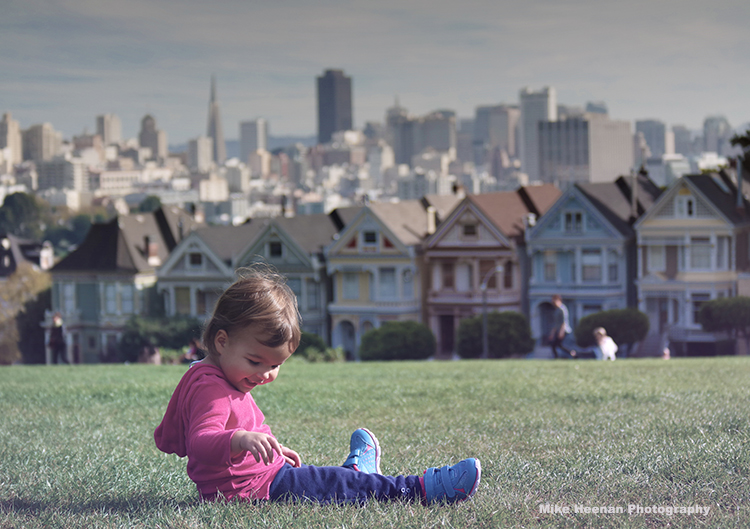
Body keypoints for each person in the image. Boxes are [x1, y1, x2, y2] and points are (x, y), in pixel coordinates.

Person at [154, 266, 480, 505]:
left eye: (276, 364)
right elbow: (201, 441)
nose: (266, 374)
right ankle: (420, 489)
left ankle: (358, 470)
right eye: (256, 361)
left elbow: (234, 428)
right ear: (222, 342)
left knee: (329, 482)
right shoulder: (211, 387)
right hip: (250, 491)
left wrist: (269, 447)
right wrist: (242, 439)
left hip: (260, 477)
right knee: (331, 483)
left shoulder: (220, 374)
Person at [548, 294, 573, 359]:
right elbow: (556, 323)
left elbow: (563, 322)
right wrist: (552, 333)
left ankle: (572, 353)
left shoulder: (562, 309)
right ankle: (571, 353)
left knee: (558, 345)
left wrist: (561, 332)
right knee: (556, 345)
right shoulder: (556, 310)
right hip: (558, 330)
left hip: (564, 330)